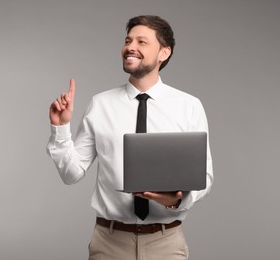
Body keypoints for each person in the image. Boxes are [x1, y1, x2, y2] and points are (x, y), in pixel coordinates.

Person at [47, 15, 213, 260]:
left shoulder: (188, 106)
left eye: (141, 41)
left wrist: (175, 200)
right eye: (128, 40)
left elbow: (204, 177)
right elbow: (71, 174)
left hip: (166, 243)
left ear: (163, 53)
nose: (130, 47)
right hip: (109, 243)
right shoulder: (100, 104)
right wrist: (61, 128)